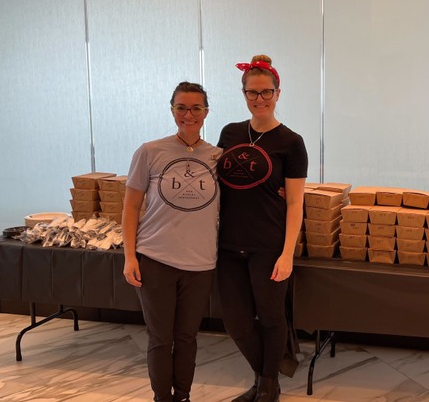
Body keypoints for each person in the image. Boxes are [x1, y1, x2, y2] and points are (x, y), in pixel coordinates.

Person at [215, 55, 307, 402]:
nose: (259, 99)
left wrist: (287, 254)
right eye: (252, 93)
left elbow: (295, 202)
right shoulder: (231, 132)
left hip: (269, 244)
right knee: (236, 324)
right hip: (229, 243)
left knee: (270, 318)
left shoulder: (291, 142)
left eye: (266, 92)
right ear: (244, 95)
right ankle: (268, 376)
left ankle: (266, 385)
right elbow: (216, 179)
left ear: (278, 93)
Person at [122, 81, 219, 402]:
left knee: (188, 338)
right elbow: (131, 206)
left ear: (206, 112)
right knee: (161, 338)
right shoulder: (149, 151)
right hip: (155, 259)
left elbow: (248, 193)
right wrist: (130, 257)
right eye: (181, 107)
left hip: (201, 263)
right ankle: (162, 398)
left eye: (195, 108)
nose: (188, 115)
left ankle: (184, 397)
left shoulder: (218, 157)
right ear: (172, 110)